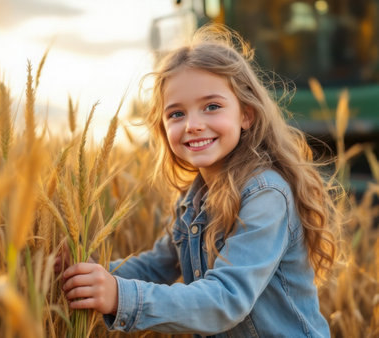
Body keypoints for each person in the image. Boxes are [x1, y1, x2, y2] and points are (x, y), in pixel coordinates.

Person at [61, 24, 339, 337]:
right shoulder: (194, 200)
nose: (193, 125)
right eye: (176, 114)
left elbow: (225, 299)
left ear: (246, 114)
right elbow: (158, 266)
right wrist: (92, 275)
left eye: (212, 107)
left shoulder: (266, 195)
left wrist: (119, 296)